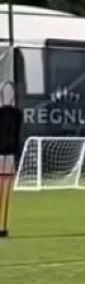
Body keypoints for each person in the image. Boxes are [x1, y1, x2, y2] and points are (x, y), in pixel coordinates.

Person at [0, 81, 19, 239]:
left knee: (6, 188)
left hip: (10, 152)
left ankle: (4, 226)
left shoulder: (17, 114)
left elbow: (17, 134)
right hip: (2, 153)